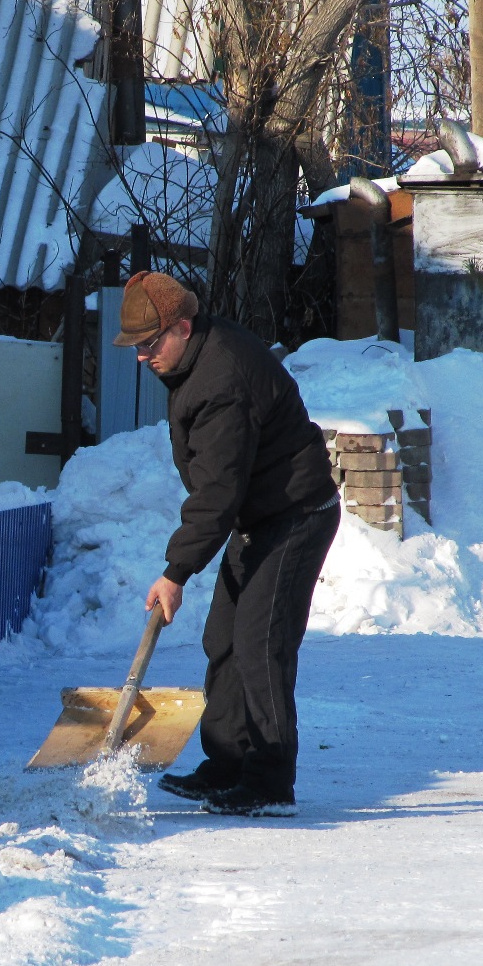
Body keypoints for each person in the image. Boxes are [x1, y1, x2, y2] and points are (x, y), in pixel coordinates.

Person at [113, 271, 340, 816]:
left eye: (149, 344)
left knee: (261, 643)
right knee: (225, 640)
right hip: (256, 515)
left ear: (183, 327)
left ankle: (268, 780)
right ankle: (227, 762)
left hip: (294, 514)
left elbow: (217, 489)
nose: (141, 357)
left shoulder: (220, 379)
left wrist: (176, 571)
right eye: (135, 346)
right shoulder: (194, 362)